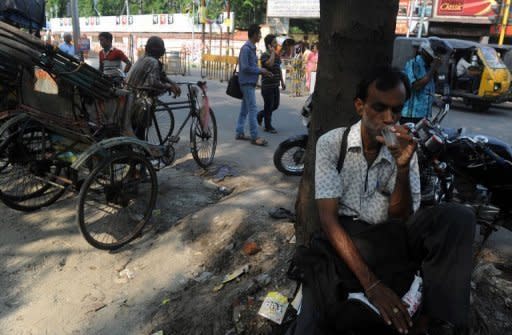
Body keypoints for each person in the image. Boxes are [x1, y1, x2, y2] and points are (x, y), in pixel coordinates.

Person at [291, 66, 475, 335]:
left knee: (458, 217)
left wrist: (402, 168)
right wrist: (373, 286)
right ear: (359, 106)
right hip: (350, 235)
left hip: (390, 234)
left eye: (396, 110)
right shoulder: (333, 143)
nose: (389, 118)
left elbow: (401, 218)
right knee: (312, 320)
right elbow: (328, 220)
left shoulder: (402, 147)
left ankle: (445, 322)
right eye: (379, 108)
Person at [126, 36, 181, 139]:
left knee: (137, 128)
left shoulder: (143, 59)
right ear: (161, 51)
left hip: (129, 99)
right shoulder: (152, 62)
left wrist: (172, 83)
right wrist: (169, 87)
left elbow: (160, 75)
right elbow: (153, 82)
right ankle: (141, 150)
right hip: (138, 102)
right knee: (140, 130)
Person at [235, 24, 272, 146]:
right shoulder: (246, 48)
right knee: (252, 109)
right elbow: (245, 67)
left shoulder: (251, 48)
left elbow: (250, 67)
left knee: (244, 110)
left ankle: (239, 132)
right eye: (259, 34)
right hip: (246, 83)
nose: (260, 36)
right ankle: (255, 136)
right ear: (255, 34)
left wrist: (261, 71)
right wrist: (260, 70)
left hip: (248, 83)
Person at [401, 41, 441, 124]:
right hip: (411, 116)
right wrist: (433, 69)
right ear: (424, 52)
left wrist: (435, 70)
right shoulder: (414, 64)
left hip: (424, 116)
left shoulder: (428, 67)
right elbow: (416, 86)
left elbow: (430, 89)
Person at [256, 34, 286, 133]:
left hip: (275, 85)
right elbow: (270, 64)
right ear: (269, 45)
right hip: (267, 86)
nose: (276, 44)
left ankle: (261, 114)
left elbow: (278, 69)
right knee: (268, 106)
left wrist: (282, 81)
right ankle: (268, 126)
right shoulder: (264, 55)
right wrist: (273, 53)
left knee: (275, 105)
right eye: (274, 42)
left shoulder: (277, 56)